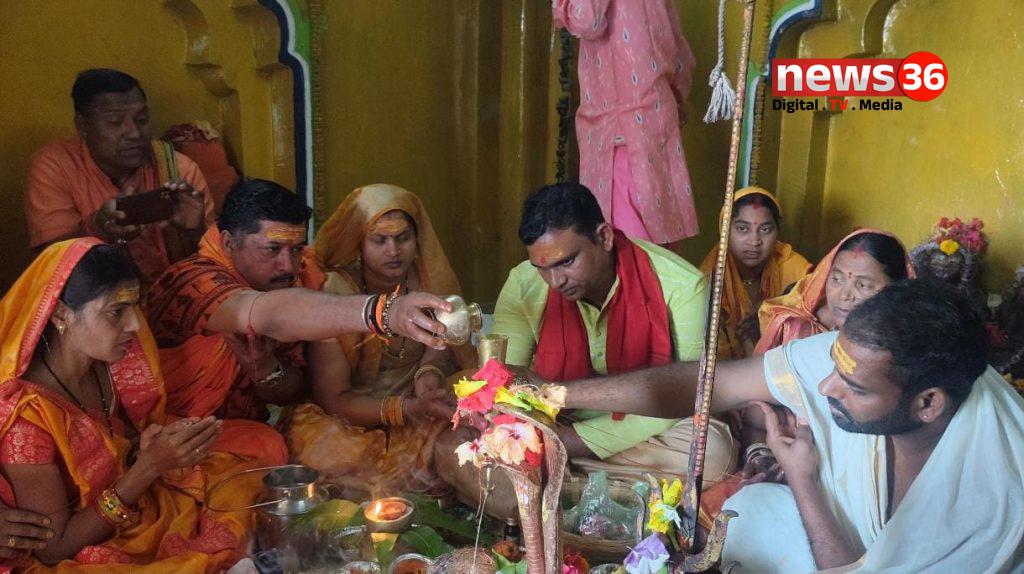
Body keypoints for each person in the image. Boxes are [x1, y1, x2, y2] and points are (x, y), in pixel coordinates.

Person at [554, 278, 1024, 572]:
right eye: (834, 366)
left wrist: (802, 479)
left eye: (853, 388)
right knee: (753, 509)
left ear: (928, 404)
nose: (824, 387)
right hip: (851, 548)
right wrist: (557, 394)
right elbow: (711, 384)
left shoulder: (994, 495)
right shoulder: (863, 356)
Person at [0, 239, 266, 571]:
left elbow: (118, 444)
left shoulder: (107, 363)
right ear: (61, 314)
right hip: (83, 544)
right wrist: (148, 467)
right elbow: (55, 549)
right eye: (116, 312)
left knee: (251, 475)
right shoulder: (28, 417)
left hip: (134, 502)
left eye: (134, 308)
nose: (135, 325)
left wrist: (145, 448)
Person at [143, 180, 454, 455]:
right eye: (273, 249)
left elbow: (293, 390)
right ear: (228, 243)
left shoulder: (297, 280)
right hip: (167, 438)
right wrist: (385, 312)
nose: (289, 266)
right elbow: (268, 314)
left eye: (296, 250)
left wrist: (265, 368)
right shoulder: (195, 281)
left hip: (237, 433)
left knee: (271, 448)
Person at [481, 182, 735, 482]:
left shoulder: (683, 286)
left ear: (604, 237)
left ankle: (559, 473)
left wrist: (575, 442)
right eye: (542, 267)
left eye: (567, 262)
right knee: (484, 433)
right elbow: (505, 381)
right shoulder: (523, 283)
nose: (555, 280)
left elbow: (685, 394)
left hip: (649, 422)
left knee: (711, 451)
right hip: (557, 424)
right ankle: (600, 477)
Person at [286, 184, 477, 492]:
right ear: (358, 243)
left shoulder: (427, 277)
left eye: (403, 238)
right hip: (349, 418)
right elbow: (333, 400)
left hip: (419, 404)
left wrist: (428, 373)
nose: (393, 251)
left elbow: (443, 343)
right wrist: (407, 409)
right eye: (379, 240)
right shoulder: (337, 291)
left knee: (475, 411)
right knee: (328, 450)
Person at [24, 69, 214, 287]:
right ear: (82, 125)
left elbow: (212, 265)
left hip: (172, 297)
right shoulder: (55, 166)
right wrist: (99, 229)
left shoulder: (179, 169)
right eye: (115, 122)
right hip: (96, 302)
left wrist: (194, 232)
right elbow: (51, 264)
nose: (134, 133)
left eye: (142, 119)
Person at [553, 0, 699, 248]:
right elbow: (680, 55)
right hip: (656, 114)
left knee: (626, 245)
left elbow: (588, 20)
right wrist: (675, 99)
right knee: (658, 236)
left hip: (617, 130)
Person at [755, 230, 912, 354]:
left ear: (897, 289)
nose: (844, 295)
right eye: (837, 279)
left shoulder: (905, 344)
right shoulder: (798, 329)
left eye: (863, 285)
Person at [699, 187, 810, 360]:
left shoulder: (796, 269)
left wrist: (772, 318)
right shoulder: (709, 277)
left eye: (765, 230)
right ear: (724, 230)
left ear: (777, 231)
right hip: (725, 372)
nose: (754, 241)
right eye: (742, 229)